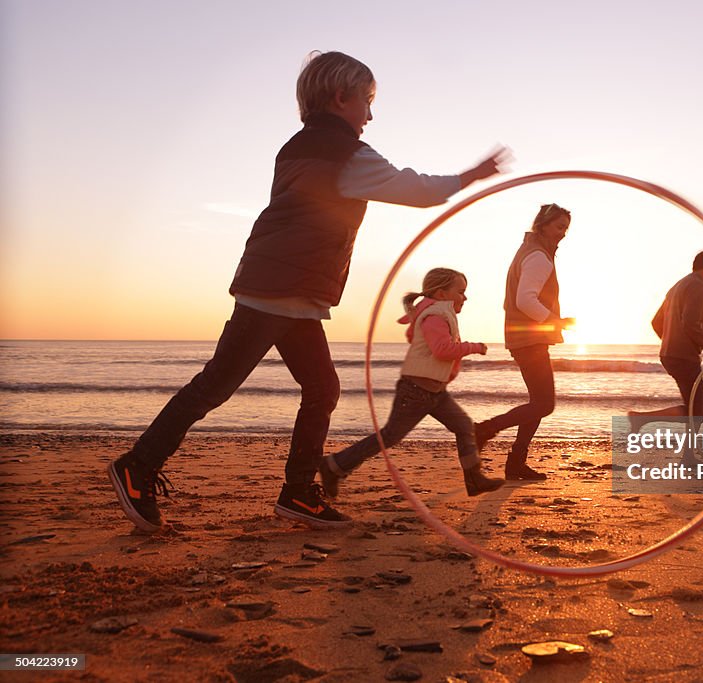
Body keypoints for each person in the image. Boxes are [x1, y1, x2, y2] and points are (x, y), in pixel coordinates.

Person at [108, 51, 507, 533]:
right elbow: (417, 191)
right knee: (218, 386)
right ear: (341, 98)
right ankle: (140, 464)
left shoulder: (297, 146)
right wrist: (474, 175)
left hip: (285, 290)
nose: (371, 114)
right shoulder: (345, 153)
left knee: (319, 388)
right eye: (367, 100)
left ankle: (298, 491)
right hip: (280, 290)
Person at [319, 268, 504, 497]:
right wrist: (473, 347)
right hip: (416, 391)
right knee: (390, 436)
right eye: (461, 292)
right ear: (442, 293)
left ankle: (474, 479)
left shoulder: (437, 313)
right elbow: (442, 350)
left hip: (434, 391)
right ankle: (333, 466)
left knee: (464, 426)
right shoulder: (435, 316)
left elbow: (423, 342)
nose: (465, 297)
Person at [474, 204, 574, 481]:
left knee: (537, 402)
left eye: (566, 228)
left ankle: (516, 463)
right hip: (529, 338)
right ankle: (484, 430)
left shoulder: (529, 250)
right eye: (558, 227)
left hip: (524, 337)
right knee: (545, 404)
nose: (563, 233)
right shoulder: (538, 257)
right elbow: (525, 300)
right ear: (542, 225)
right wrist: (555, 321)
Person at [627, 250, 703, 434]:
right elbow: (691, 323)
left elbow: (656, 322)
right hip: (683, 357)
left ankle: (643, 420)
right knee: (697, 409)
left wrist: (670, 341)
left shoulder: (678, 286)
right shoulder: (697, 287)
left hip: (670, 355)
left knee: (701, 403)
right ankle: (642, 419)